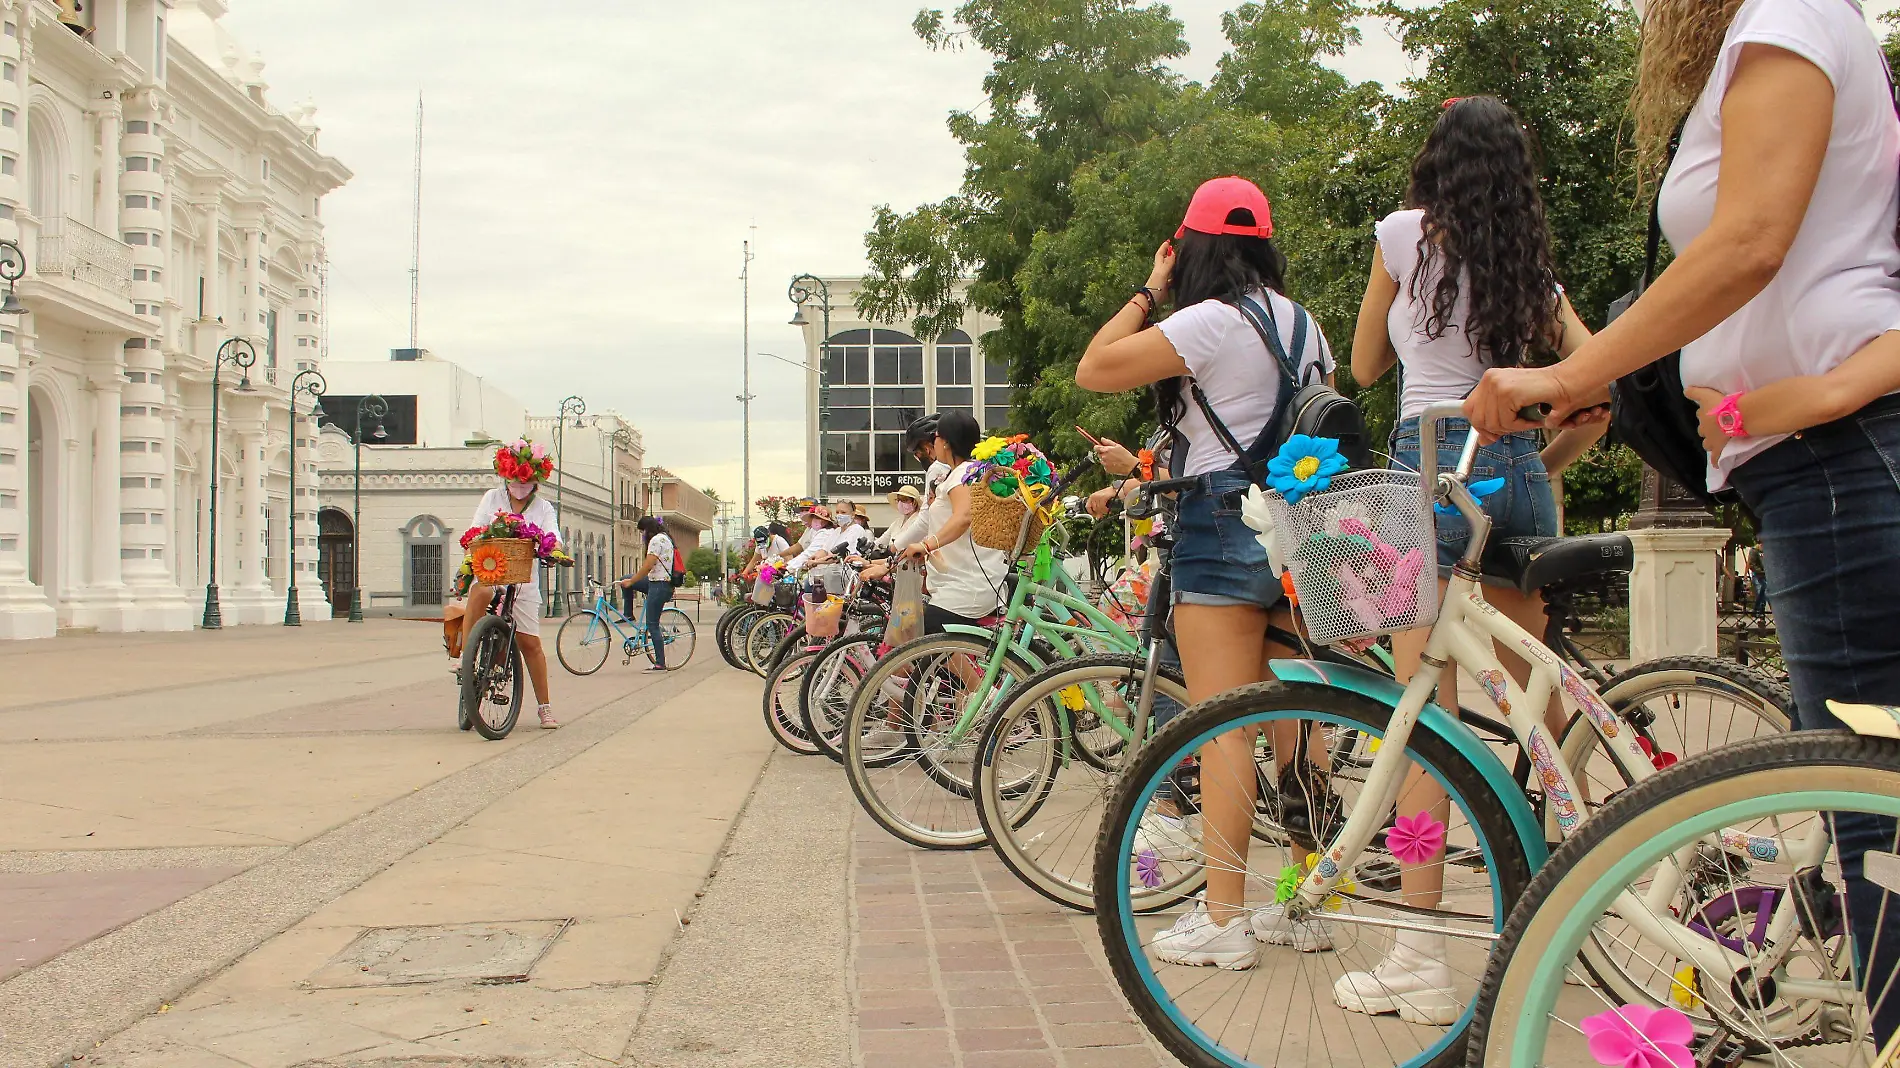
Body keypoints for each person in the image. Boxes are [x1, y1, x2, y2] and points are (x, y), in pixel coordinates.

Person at [1462, 0, 1900, 1041]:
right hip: (1814, 466)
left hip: (1838, 464)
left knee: (1873, 825)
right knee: (1870, 817)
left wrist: (1570, 373)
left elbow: (1748, 241)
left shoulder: (1790, 17)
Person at [1333, 94, 1604, 1018]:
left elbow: (1365, 367)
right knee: (1541, 703)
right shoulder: (1529, 265)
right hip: (1519, 465)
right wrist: (1545, 440)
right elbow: (1595, 377)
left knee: (1424, 724)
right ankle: (1588, 898)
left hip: (1433, 468)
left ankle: (1418, 953)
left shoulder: (1401, 234)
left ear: (1433, 162)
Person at [1074, 175, 1336, 969]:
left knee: (1222, 725)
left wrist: (1148, 289)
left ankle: (1224, 917)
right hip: (1300, 520)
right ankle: (1301, 902)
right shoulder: (1303, 325)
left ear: (1193, 249)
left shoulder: (1209, 322)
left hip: (1220, 523)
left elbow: (1095, 366)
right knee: (1302, 720)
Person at [461, 441, 563, 729]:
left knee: (530, 644)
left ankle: (545, 708)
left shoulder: (543, 507)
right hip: (492, 571)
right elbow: (477, 527)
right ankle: (467, 657)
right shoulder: (492, 498)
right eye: (516, 480)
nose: (520, 486)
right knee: (479, 591)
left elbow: (553, 535)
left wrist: (553, 549)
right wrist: (477, 540)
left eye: (526, 481)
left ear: (535, 481)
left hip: (523, 580)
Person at [898, 410, 1008, 632]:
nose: (932, 444)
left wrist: (926, 545)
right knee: (933, 652)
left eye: (935, 438)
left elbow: (963, 516)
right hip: (967, 581)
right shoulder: (965, 473)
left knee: (931, 630)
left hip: (968, 587)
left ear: (945, 442)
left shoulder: (962, 475)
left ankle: (982, 670)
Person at [618, 516, 675, 672]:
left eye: (642, 531)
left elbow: (648, 565)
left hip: (659, 584)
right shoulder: (665, 538)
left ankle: (660, 663)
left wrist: (632, 581)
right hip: (656, 582)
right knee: (624, 579)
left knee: (652, 624)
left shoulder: (656, 541)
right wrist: (630, 581)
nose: (642, 535)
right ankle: (628, 614)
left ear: (647, 530)